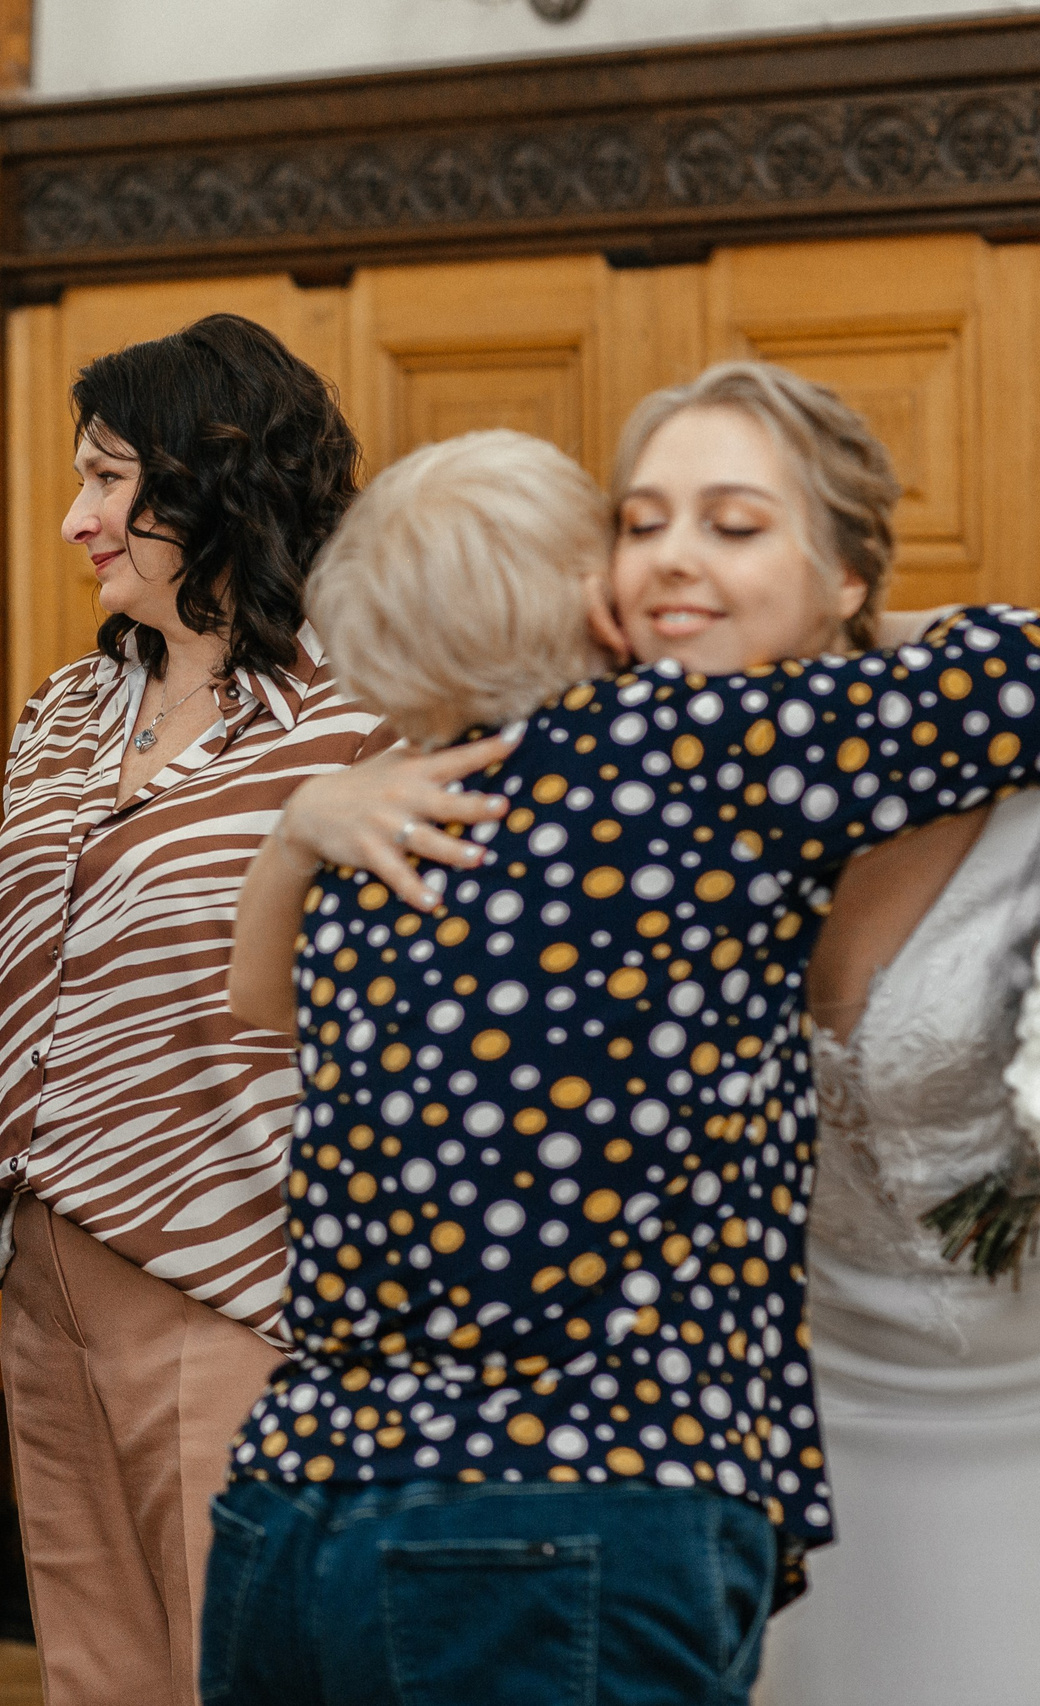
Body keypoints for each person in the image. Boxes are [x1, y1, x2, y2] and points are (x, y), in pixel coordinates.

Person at [246, 364, 1040, 1706]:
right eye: (638, 523)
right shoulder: (694, 757)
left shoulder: (434, 822)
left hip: (312, 1501)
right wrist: (306, 809)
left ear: (850, 575)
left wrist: (304, 825)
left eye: (732, 525)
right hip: (615, 1492)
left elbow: (257, 1011)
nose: (673, 559)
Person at [0, 313, 389, 1704]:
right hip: (44, 1265)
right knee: (95, 1674)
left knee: (245, 1670)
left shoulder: (361, 710)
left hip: (244, 1271)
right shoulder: (66, 709)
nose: (76, 520)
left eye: (110, 479)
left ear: (216, 479)